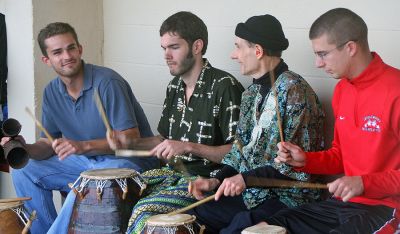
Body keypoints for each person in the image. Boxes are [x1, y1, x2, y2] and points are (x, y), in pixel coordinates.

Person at [1, 22, 159, 234]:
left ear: (80, 49)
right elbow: (47, 144)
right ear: (47, 60)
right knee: (25, 168)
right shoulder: (51, 92)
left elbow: (130, 138)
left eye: (71, 48)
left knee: (86, 181)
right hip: (87, 166)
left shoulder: (107, 82)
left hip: (129, 164)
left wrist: (82, 146)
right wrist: (25, 148)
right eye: (58, 52)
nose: (67, 56)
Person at [262, 8, 400, 233]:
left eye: (323, 54)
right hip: (344, 204)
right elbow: (340, 156)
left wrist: (364, 182)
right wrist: (305, 159)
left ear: (350, 48)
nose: (317, 63)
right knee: (271, 225)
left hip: (387, 208)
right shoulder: (342, 90)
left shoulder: (396, 89)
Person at [107, 11, 244, 233]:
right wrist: (128, 143)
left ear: (197, 46)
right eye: (164, 48)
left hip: (204, 182)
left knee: (143, 211)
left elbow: (238, 152)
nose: (166, 55)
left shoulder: (224, 86)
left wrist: (189, 146)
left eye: (174, 47)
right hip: (169, 176)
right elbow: (163, 140)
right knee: (113, 199)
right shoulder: (174, 87)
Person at [187, 14, 325, 233]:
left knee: (237, 228)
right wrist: (217, 181)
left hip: (289, 197)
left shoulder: (294, 91)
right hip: (252, 192)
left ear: (258, 51)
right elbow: (240, 149)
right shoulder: (251, 93)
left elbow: (294, 166)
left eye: (238, 47)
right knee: (196, 217)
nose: (234, 55)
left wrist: (244, 179)